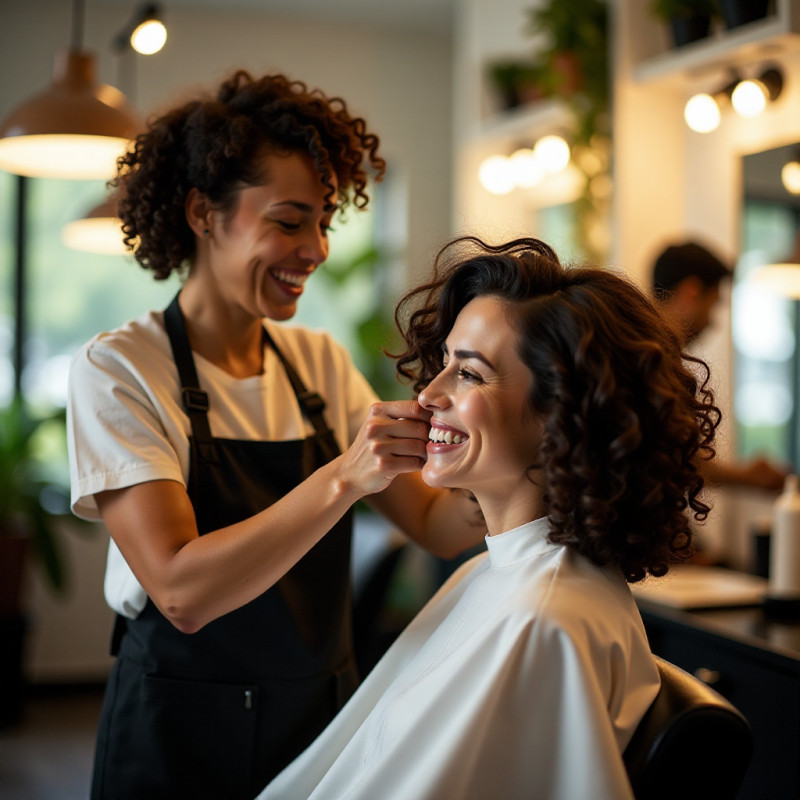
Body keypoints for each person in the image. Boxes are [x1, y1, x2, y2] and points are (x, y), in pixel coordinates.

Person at [66, 71, 483, 800]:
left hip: (317, 721)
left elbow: (436, 525)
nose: (317, 248)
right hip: (178, 736)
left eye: (324, 221)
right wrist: (344, 477)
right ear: (203, 213)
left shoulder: (317, 363)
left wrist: (514, 450)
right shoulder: (120, 369)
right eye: (290, 222)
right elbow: (179, 590)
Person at [257, 235, 721, 800]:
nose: (428, 394)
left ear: (562, 415)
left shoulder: (540, 620)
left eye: (470, 374)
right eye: (445, 362)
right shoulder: (498, 575)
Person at [652, 240, 788, 493]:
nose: (712, 323)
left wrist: (748, 476)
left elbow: (674, 453)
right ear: (691, 292)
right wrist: (748, 477)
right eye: (714, 304)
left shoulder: (646, 351)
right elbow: (672, 460)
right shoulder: (651, 359)